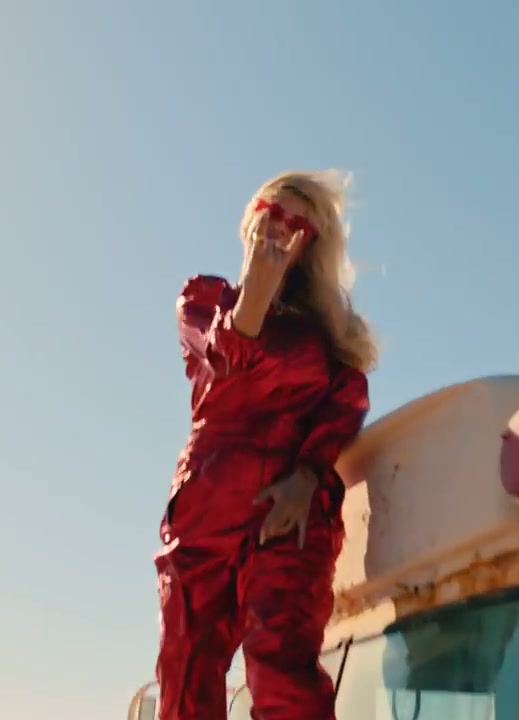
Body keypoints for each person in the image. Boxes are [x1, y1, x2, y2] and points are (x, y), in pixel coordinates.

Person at [154, 170, 378, 720]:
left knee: (280, 663)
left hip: (290, 509)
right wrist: (256, 287)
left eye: (297, 223)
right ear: (250, 220)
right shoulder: (203, 299)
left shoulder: (327, 339)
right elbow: (225, 359)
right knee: (186, 669)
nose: (279, 228)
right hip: (207, 505)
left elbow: (347, 403)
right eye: (271, 213)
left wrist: (306, 476)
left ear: (312, 244)